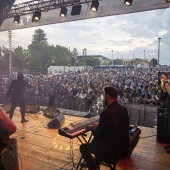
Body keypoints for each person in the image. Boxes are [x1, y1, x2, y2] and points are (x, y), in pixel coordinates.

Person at [80, 87, 130, 170]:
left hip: (111, 151)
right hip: (123, 148)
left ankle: (93, 168)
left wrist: (91, 127)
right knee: (97, 142)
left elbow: (98, 134)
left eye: (103, 96)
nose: (103, 99)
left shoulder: (106, 113)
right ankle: (96, 165)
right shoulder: (124, 110)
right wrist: (100, 125)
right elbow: (114, 125)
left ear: (108, 97)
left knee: (84, 147)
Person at [161, 73, 170, 153]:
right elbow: (164, 90)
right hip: (168, 109)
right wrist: (162, 81)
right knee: (167, 126)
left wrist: (165, 81)